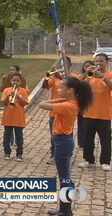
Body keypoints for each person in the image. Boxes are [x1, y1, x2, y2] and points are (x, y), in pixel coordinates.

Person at [39, 77, 93, 216]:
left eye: (62, 87)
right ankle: (64, 209)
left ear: (71, 91)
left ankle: (67, 211)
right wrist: (62, 98)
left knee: (65, 178)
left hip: (63, 143)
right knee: (64, 178)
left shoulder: (68, 105)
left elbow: (42, 104)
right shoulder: (70, 102)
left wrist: (58, 100)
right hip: (63, 141)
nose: (58, 89)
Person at [78, 53, 112, 171]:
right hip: (89, 113)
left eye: (101, 61)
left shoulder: (110, 74)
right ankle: (88, 160)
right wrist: (86, 72)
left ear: (107, 62)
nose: (98, 64)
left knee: (105, 140)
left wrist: (103, 77)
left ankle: (105, 161)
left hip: (104, 114)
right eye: (96, 61)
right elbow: (77, 84)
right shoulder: (90, 76)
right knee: (88, 140)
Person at [1, 73, 29, 161]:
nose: (15, 82)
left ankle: (19, 154)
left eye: (17, 80)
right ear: (10, 81)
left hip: (18, 117)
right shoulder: (6, 90)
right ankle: (7, 153)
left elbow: (25, 103)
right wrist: (9, 95)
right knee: (7, 136)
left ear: (20, 82)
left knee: (19, 137)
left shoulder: (23, 91)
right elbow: (4, 102)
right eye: (13, 80)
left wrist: (18, 96)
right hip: (8, 117)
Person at [43, 65, 64, 164]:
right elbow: (46, 86)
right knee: (54, 135)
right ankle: (54, 155)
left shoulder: (71, 77)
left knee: (66, 134)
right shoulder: (54, 79)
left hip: (67, 111)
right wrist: (49, 75)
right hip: (54, 112)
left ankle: (65, 155)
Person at [76, 61, 95, 150]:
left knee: (88, 125)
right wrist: (86, 73)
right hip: (81, 103)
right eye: (86, 66)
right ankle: (81, 142)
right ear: (83, 67)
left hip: (91, 104)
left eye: (90, 66)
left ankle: (88, 142)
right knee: (81, 124)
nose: (88, 68)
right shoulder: (81, 76)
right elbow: (77, 82)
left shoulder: (95, 76)